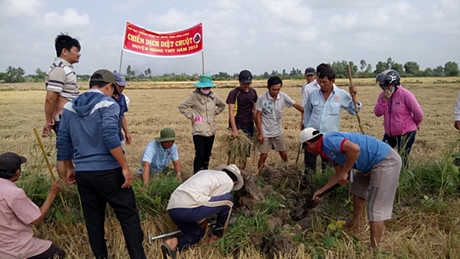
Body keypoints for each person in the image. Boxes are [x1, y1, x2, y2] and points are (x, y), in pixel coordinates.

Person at [57, 69, 146, 259]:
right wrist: (124, 166)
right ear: (108, 86)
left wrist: (70, 167)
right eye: (113, 88)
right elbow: (109, 136)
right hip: (109, 171)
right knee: (128, 217)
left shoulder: (69, 107)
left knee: (93, 221)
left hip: (83, 173)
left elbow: (63, 141)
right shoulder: (109, 104)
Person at [300, 127, 402, 249]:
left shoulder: (328, 140)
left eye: (305, 149)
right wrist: (321, 192)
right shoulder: (325, 150)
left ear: (308, 144)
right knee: (357, 188)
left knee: (375, 206)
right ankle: (355, 223)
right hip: (370, 165)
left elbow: (354, 149)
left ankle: (374, 249)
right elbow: (339, 174)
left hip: (385, 161)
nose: (308, 152)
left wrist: (345, 171)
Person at [161, 164, 244, 259]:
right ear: (235, 182)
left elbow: (207, 200)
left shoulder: (206, 173)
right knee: (228, 201)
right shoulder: (228, 181)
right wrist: (209, 223)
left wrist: (203, 220)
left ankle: (172, 244)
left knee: (197, 233)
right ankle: (217, 235)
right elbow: (215, 201)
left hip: (173, 208)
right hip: (189, 208)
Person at [0, 152, 66, 259]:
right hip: (15, 250)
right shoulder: (13, 193)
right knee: (60, 255)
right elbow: (37, 220)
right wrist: (52, 193)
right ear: (17, 172)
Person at [303, 66, 361, 174]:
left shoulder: (341, 94)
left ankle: (326, 186)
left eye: (324, 82)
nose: (321, 84)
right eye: (319, 81)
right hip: (312, 137)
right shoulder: (313, 94)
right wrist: (306, 129)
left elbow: (354, 110)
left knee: (328, 165)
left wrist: (354, 96)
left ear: (332, 81)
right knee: (309, 165)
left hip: (329, 138)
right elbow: (308, 113)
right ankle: (308, 186)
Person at [42, 33, 81, 182]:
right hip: (65, 117)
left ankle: (67, 183)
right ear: (65, 51)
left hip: (66, 117)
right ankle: (67, 182)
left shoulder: (65, 68)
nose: (79, 54)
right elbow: (51, 97)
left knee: (66, 151)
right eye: (76, 50)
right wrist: (49, 120)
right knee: (65, 153)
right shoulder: (59, 70)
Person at [374, 69, 423, 168]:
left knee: (402, 158)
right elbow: (378, 113)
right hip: (389, 134)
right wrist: (384, 100)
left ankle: (403, 178)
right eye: (382, 86)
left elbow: (418, 113)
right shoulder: (382, 96)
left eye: (386, 86)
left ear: (394, 84)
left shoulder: (406, 95)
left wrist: (416, 123)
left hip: (406, 133)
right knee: (381, 155)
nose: (384, 89)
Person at [178, 74, 226, 174]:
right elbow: (181, 106)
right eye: (204, 87)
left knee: (207, 154)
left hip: (211, 129)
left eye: (208, 87)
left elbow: (222, 105)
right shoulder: (194, 97)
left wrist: (213, 114)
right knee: (200, 154)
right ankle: (196, 174)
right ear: (200, 86)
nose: (206, 88)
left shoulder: (214, 96)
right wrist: (192, 117)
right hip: (199, 130)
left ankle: (205, 172)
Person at [256, 76, 304, 171]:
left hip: (278, 131)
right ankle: (259, 173)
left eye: (278, 89)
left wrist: (306, 111)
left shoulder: (283, 96)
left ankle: (287, 170)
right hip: (265, 132)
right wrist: (260, 133)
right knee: (263, 155)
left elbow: (295, 105)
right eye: (274, 89)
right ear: (268, 87)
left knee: (283, 153)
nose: (276, 92)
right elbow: (258, 115)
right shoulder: (262, 99)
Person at [226, 69, 258, 169]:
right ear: (239, 81)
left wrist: (257, 127)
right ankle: (229, 172)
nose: (246, 85)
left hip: (248, 125)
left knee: (244, 152)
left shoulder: (253, 92)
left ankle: (241, 172)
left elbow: (254, 110)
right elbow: (231, 112)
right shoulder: (234, 93)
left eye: (248, 83)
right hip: (237, 125)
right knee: (233, 152)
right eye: (244, 83)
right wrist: (234, 129)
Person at [112, 72, 132, 151]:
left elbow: (122, 115)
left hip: (119, 135)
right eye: (120, 86)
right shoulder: (106, 98)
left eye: (123, 86)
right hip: (108, 135)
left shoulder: (123, 98)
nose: (122, 88)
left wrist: (126, 132)